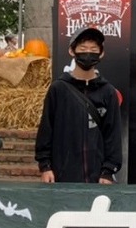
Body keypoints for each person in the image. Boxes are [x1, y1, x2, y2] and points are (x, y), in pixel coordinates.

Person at [34, 26, 123, 184]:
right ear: (72, 51)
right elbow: (46, 129)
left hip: (98, 178)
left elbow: (113, 134)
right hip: (62, 175)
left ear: (101, 53)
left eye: (93, 49)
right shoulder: (59, 89)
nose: (88, 53)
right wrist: (45, 166)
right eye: (82, 48)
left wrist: (108, 171)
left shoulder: (108, 92)